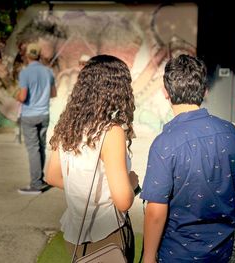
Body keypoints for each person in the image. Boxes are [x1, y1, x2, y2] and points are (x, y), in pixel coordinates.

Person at [140, 54, 235, 263]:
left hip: (177, 252)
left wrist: (147, 256)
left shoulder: (165, 143)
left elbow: (155, 211)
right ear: (205, 90)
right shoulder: (230, 131)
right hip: (222, 250)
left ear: (165, 92)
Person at [45, 55, 139, 262]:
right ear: (117, 88)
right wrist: (132, 183)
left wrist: (80, 187)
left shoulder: (67, 126)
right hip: (107, 235)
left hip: (75, 232)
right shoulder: (111, 132)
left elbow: (51, 177)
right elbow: (123, 201)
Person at [16, 43, 57, 195]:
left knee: (33, 149)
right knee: (40, 147)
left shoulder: (25, 73)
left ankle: (35, 184)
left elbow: (23, 96)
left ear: (27, 55)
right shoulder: (48, 72)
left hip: (29, 115)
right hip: (44, 114)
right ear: (39, 55)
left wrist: (16, 95)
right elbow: (53, 94)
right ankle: (41, 179)